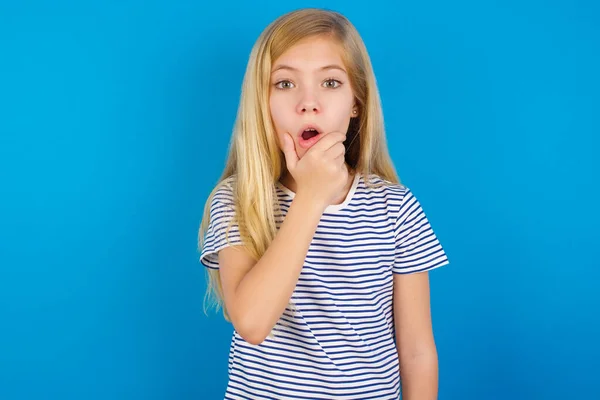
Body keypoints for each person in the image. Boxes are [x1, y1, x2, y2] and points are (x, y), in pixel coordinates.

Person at [198, 7, 450, 400]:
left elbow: (417, 352)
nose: (308, 103)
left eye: (330, 82)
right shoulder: (237, 200)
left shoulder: (395, 208)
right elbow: (250, 321)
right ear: (261, 102)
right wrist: (311, 197)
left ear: (356, 103)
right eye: (285, 84)